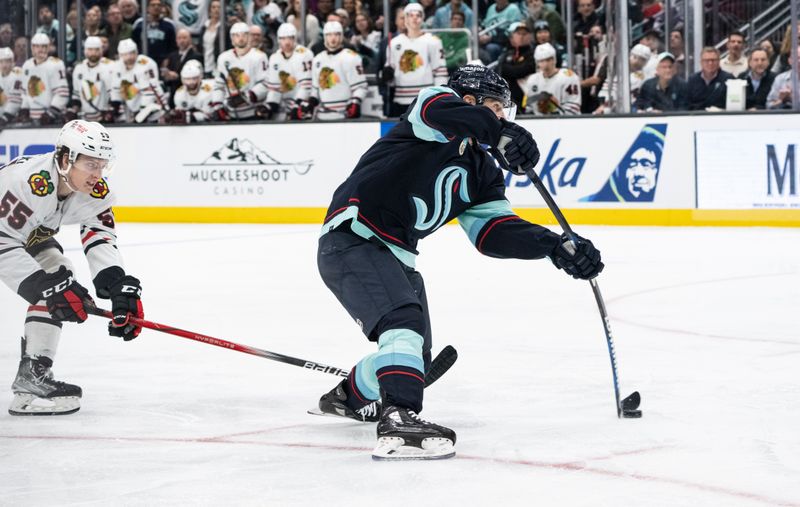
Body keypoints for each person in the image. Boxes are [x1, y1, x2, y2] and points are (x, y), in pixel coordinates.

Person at [314, 64, 603, 460]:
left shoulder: (483, 171)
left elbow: (493, 233)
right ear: (470, 102)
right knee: (403, 323)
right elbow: (446, 113)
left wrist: (554, 246)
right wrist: (497, 131)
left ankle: (349, 396)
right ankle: (399, 415)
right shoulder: (435, 108)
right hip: (352, 239)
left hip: (397, 256)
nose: (502, 117)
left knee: (414, 356)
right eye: (496, 108)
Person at [0, 119, 144, 416]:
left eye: (103, 165)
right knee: (53, 284)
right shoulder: (27, 183)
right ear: (66, 159)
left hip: (21, 235)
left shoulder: (93, 189)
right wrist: (45, 286)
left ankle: (32, 375)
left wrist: (115, 284)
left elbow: (99, 233)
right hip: (5, 236)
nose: (98, 175)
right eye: (91, 165)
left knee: (59, 276)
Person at [381, 3, 447, 117]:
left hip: (426, 100)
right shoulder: (394, 43)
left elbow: (440, 72)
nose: (415, 18)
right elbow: (390, 79)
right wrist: (387, 76)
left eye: (418, 15)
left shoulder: (433, 41)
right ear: (405, 19)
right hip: (401, 100)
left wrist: (438, 98)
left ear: (423, 18)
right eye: (411, 15)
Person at [299, 21, 366, 120]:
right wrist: (310, 103)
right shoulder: (318, 59)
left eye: (337, 34)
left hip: (345, 115)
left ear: (342, 36)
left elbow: (360, 87)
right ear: (325, 37)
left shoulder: (351, 57)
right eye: (329, 35)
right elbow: (315, 90)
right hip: (322, 116)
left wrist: (355, 101)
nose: (333, 38)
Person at [211, 22, 269, 121]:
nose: (240, 38)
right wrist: (218, 105)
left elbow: (265, 83)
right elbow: (219, 85)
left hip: (253, 112)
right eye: (236, 35)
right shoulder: (223, 58)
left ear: (249, 37)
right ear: (232, 38)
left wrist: (248, 96)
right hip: (231, 112)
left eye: (244, 35)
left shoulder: (259, 56)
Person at [111, 38, 168, 123]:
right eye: (125, 54)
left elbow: (150, 92)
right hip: (133, 108)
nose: (129, 57)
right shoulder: (117, 67)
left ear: (137, 52)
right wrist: (115, 110)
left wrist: (141, 114)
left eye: (132, 53)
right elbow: (115, 90)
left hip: (153, 106)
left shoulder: (146, 64)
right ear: (120, 55)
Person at [19, 33, 69, 125]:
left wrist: (51, 113)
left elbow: (62, 94)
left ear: (48, 47)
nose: (40, 49)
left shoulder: (56, 64)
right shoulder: (27, 65)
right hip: (32, 118)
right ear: (32, 48)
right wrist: (24, 109)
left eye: (44, 46)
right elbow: (25, 93)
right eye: (37, 46)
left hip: (53, 118)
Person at [266, 23, 313, 119]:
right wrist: (270, 105)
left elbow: (306, 87)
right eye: (283, 38)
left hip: (301, 107)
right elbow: (274, 88)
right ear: (278, 40)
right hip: (282, 110)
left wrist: (297, 105)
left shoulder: (305, 54)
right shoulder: (274, 58)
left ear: (295, 38)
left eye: (290, 38)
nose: (287, 42)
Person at [67, 36, 116, 122]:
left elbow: (114, 94)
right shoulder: (78, 69)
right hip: (85, 119)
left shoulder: (110, 66)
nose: (93, 53)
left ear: (102, 50)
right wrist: (73, 111)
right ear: (85, 50)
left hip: (104, 118)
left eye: (97, 49)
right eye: (90, 49)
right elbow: (76, 96)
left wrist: (111, 110)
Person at [524, 42, 581, 115]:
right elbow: (529, 108)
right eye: (541, 61)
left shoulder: (569, 76)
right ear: (537, 63)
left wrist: (554, 109)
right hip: (539, 123)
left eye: (548, 60)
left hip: (565, 123)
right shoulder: (532, 80)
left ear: (554, 59)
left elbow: (573, 108)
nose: (545, 64)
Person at [496, 22, 536, 108]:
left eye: (524, 34)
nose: (521, 36)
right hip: (507, 94)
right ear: (512, 37)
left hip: (525, 92)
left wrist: (509, 70)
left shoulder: (533, 53)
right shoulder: (507, 53)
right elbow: (500, 70)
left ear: (530, 37)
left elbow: (522, 70)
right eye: (518, 33)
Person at [161, 28, 203, 105]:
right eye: (179, 38)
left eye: (184, 38)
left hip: (191, 96)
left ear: (190, 39)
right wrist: (167, 77)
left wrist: (178, 77)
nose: (181, 41)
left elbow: (199, 78)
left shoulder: (197, 56)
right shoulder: (172, 56)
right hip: (174, 95)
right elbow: (167, 81)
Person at [131, 0, 177, 65]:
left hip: (162, 62)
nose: (156, 7)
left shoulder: (169, 25)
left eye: (159, 5)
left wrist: (168, 59)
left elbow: (172, 47)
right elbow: (134, 43)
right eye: (153, 5)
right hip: (142, 61)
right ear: (147, 8)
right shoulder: (139, 24)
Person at [767, 44, 800, 110]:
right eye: (797, 58)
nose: (799, 61)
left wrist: (792, 99)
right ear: (790, 61)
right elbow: (768, 105)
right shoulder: (780, 79)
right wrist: (781, 101)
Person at [0, 47, 23, 126]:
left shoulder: (17, 76)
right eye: (1, 62)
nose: (4, 65)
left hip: (12, 119)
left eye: (7, 61)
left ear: (13, 62)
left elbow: (15, 102)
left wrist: (5, 117)